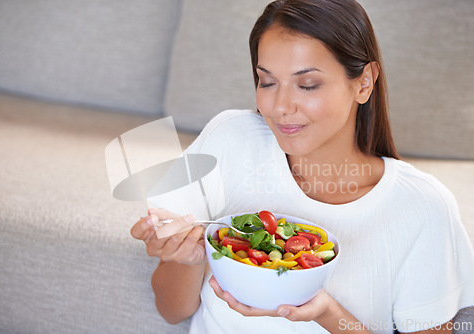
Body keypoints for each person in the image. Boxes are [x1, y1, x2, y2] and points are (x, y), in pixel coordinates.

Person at [130, 0, 474, 333]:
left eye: (307, 84)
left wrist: (326, 312)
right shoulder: (229, 137)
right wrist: (186, 260)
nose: (280, 107)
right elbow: (171, 310)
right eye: (267, 81)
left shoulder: (422, 207)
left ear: (364, 82)